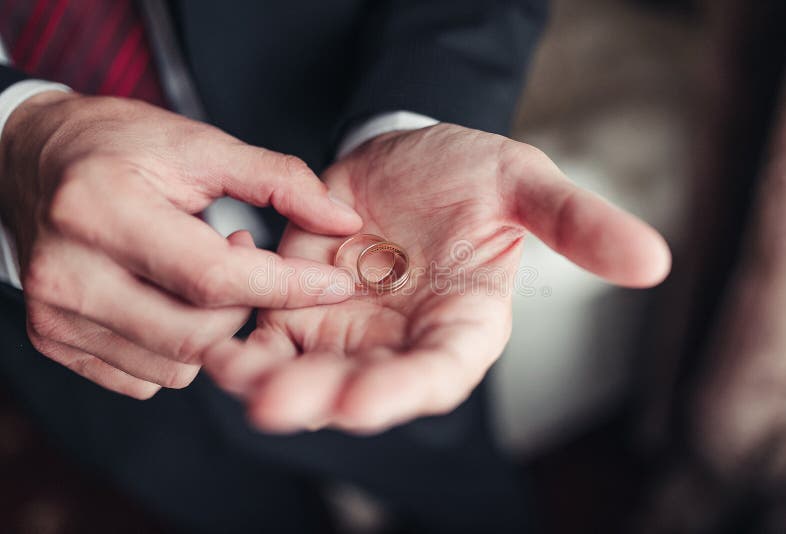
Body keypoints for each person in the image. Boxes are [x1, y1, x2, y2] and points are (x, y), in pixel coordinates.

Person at [0, 1, 670, 532]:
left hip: (389, 277)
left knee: (462, 498)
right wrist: (14, 136)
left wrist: (415, 125)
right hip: (82, 346)